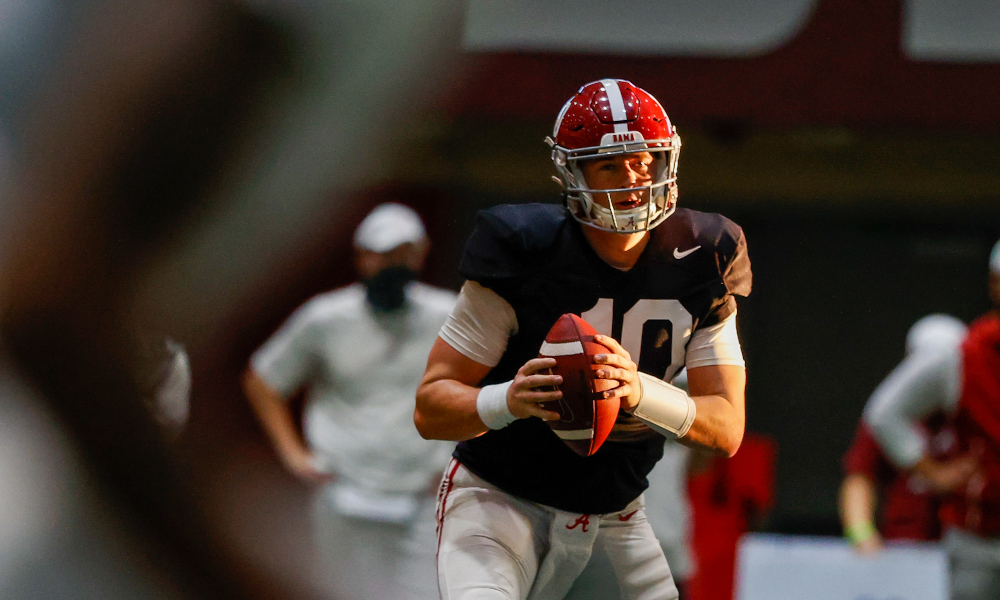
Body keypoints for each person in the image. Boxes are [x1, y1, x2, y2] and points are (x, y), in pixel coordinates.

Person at [415, 79, 752, 600]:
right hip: (500, 500)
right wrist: (509, 400)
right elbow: (431, 408)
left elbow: (726, 427)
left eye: (642, 160)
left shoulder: (704, 255)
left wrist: (636, 390)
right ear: (572, 174)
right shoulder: (523, 251)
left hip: (614, 514)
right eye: (609, 165)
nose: (633, 179)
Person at [243, 203, 457, 600]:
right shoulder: (325, 318)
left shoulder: (450, 316)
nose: (393, 265)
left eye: (403, 254)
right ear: (362, 257)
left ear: (421, 254)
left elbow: (485, 387)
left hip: (422, 498)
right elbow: (264, 379)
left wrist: (461, 462)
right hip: (342, 492)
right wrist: (292, 454)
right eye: (383, 254)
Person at [866, 238, 1000, 600]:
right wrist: (934, 473)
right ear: (993, 285)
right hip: (978, 535)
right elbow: (882, 416)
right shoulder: (964, 356)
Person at [839, 314, 967, 554]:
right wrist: (862, 534)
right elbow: (859, 477)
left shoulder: (977, 411)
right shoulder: (886, 413)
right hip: (904, 546)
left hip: (967, 546)